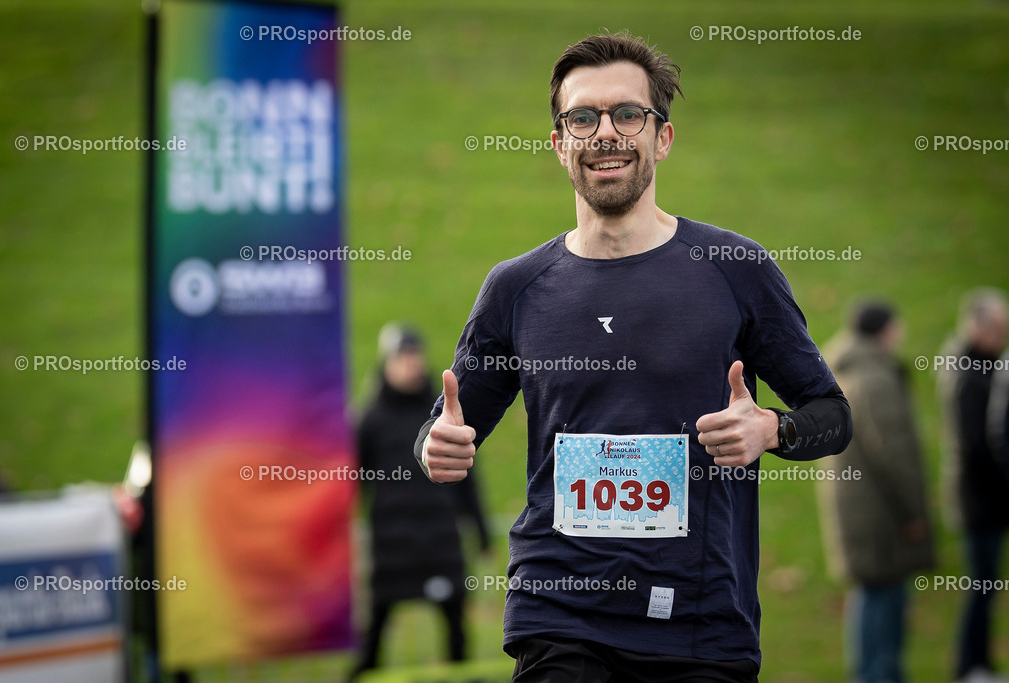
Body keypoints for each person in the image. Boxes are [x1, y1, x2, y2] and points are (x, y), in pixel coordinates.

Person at [414, 32, 853, 682]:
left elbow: (833, 414)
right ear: (560, 144)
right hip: (558, 612)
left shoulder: (735, 269)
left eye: (628, 114)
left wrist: (772, 428)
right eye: (583, 117)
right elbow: (448, 427)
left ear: (662, 137)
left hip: (699, 621)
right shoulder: (516, 288)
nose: (606, 133)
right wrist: (435, 446)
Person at [350, 324, 490, 680]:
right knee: (376, 631)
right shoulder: (370, 419)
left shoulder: (439, 416)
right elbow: (352, 482)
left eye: (415, 356)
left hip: (440, 542)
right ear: (387, 363)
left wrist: (481, 528)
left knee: (457, 633)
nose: (411, 364)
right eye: (402, 357)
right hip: (391, 547)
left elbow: (467, 478)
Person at [817, 300, 934, 683]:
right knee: (882, 598)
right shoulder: (875, 379)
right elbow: (895, 454)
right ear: (885, 330)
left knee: (873, 592)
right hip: (880, 512)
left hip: (859, 509)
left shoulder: (843, 373)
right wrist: (913, 512)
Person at [938, 288, 1009, 683]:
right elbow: (976, 444)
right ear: (976, 325)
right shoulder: (968, 372)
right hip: (979, 499)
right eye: (997, 326)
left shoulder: (984, 366)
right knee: (980, 587)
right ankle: (971, 667)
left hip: (986, 498)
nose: (1003, 334)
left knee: (986, 586)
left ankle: (979, 664)